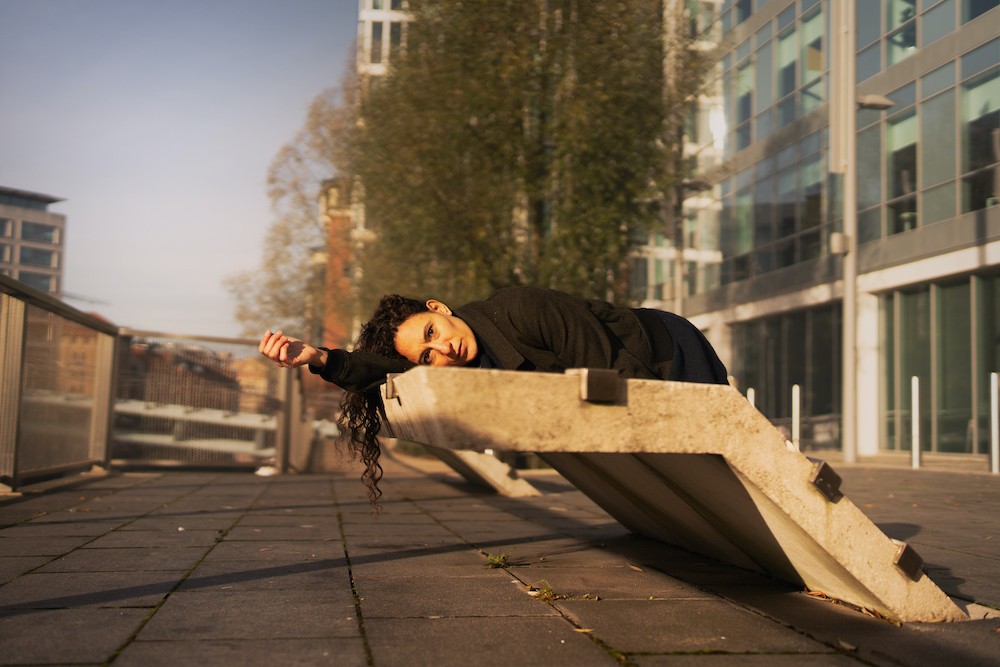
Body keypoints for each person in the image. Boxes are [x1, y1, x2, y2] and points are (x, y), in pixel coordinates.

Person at [259, 285, 728, 506]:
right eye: (427, 356)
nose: (441, 348)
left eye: (431, 330)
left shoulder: (523, 310)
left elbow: (612, 367)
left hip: (664, 351)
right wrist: (319, 358)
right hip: (622, 373)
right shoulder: (455, 364)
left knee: (720, 449)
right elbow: (382, 370)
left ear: (439, 308)